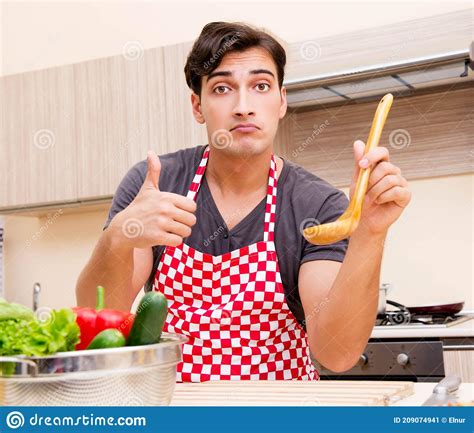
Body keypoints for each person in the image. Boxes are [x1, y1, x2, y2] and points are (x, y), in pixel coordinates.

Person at [76, 22, 411, 382]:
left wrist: (370, 235)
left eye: (261, 86)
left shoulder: (315, 203)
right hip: (173, 408)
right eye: (222, 88)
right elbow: (100, 319)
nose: (243, 107)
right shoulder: (156, 184)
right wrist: (118, 238)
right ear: (198, 105)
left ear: (281, 101)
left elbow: (337, 353)